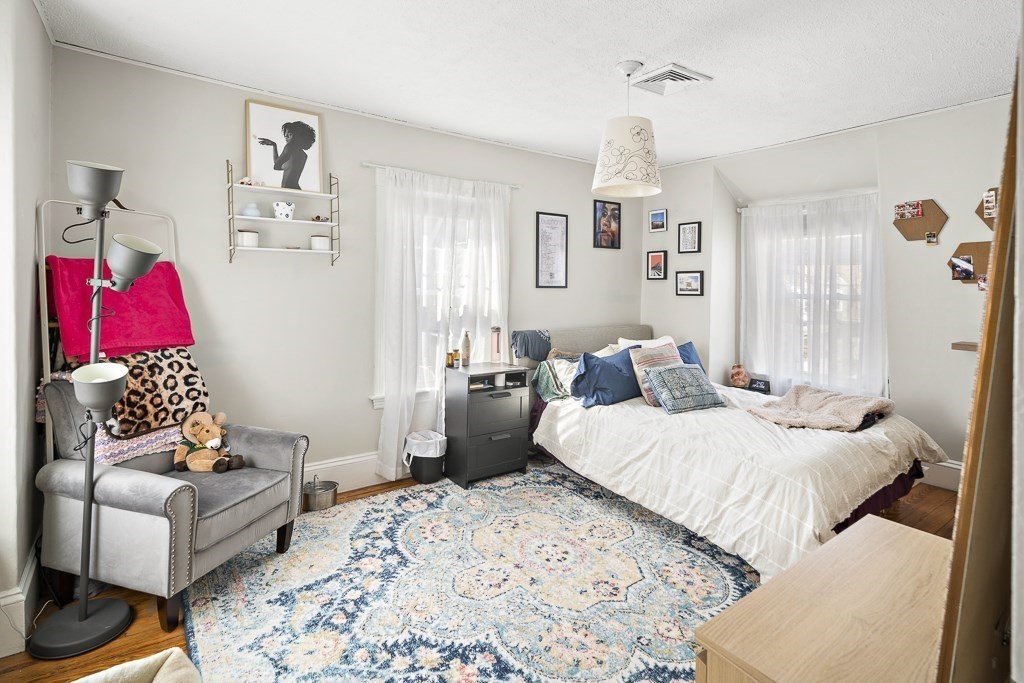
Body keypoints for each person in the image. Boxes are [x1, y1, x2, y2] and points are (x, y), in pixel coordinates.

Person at [258, 121, 316, 190]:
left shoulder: (289, 147)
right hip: (296, 189)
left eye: (290, 134)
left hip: (288, 189)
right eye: (286, 133)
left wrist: (274, 145)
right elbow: (286, 167)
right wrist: (274, 145)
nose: (286, 136)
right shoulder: (304, 155)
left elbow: (276, 166)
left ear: (297, 137)